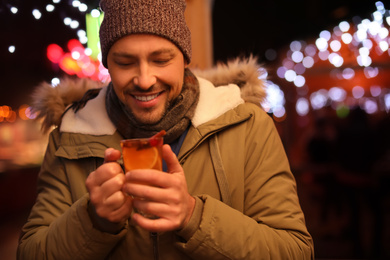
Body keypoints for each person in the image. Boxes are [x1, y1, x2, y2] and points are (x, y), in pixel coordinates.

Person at [17, 0, 314, 259]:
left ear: (184, 59)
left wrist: (193, 215)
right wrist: (93, 220)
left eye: (161, 60)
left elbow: (294, 250)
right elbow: (30, 252)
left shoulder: (248, 126)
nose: (145, 80)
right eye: (125, 62)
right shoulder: (69, 136)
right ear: (108, 64)